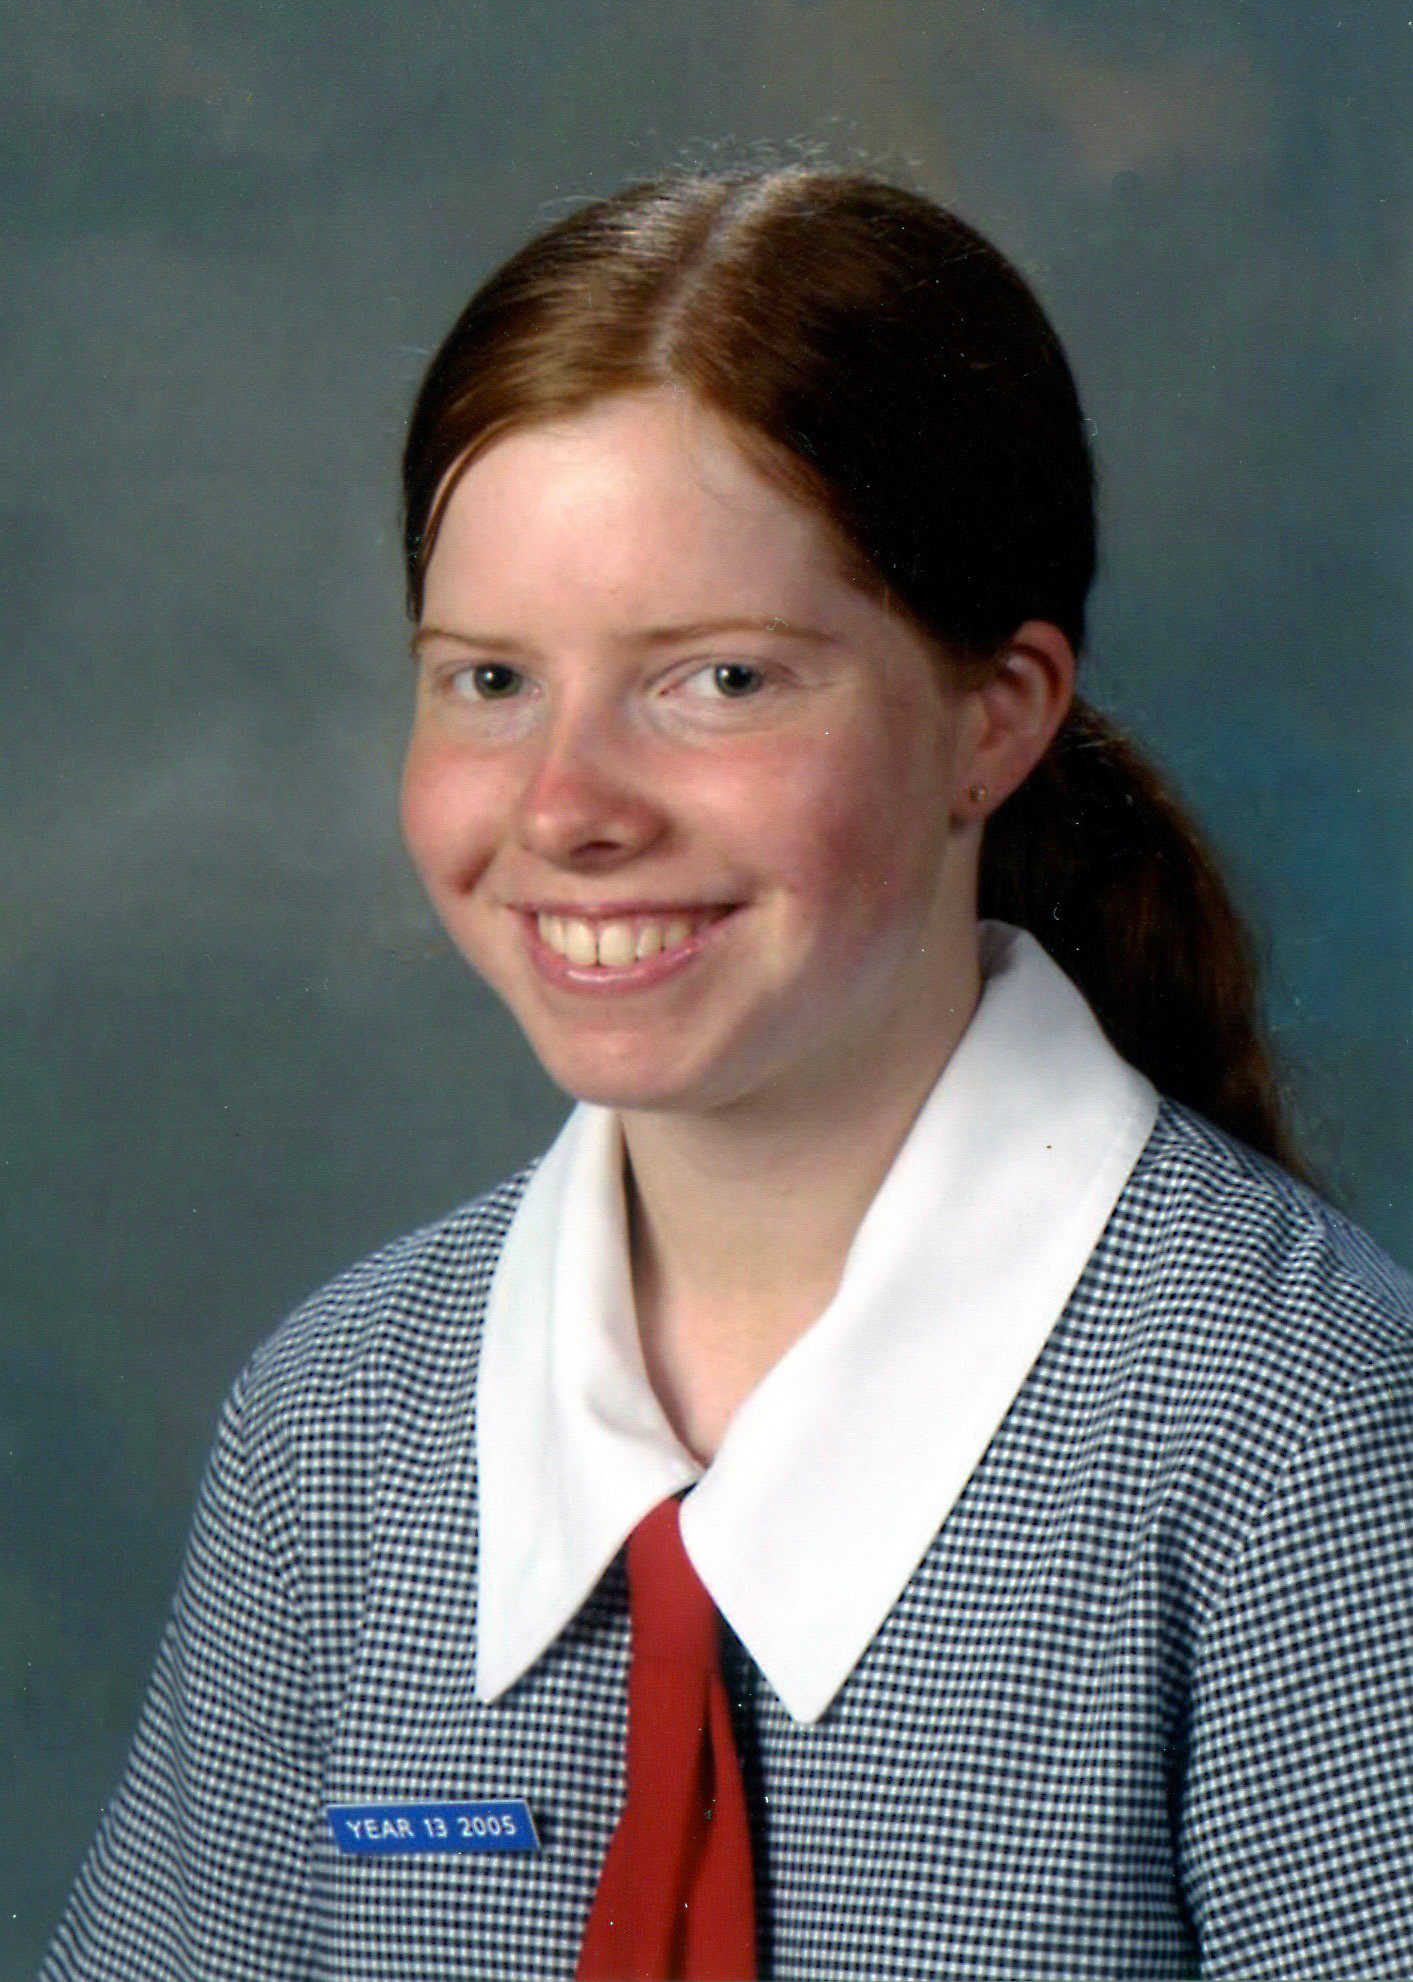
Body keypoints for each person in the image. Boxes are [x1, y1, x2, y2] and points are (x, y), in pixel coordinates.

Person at [45, 168, 1412, 1982]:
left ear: (993, 715)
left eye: (720, 680)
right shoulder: (340, 1427)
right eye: (489, 681)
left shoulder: (1290, 1433)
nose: (566, 806)